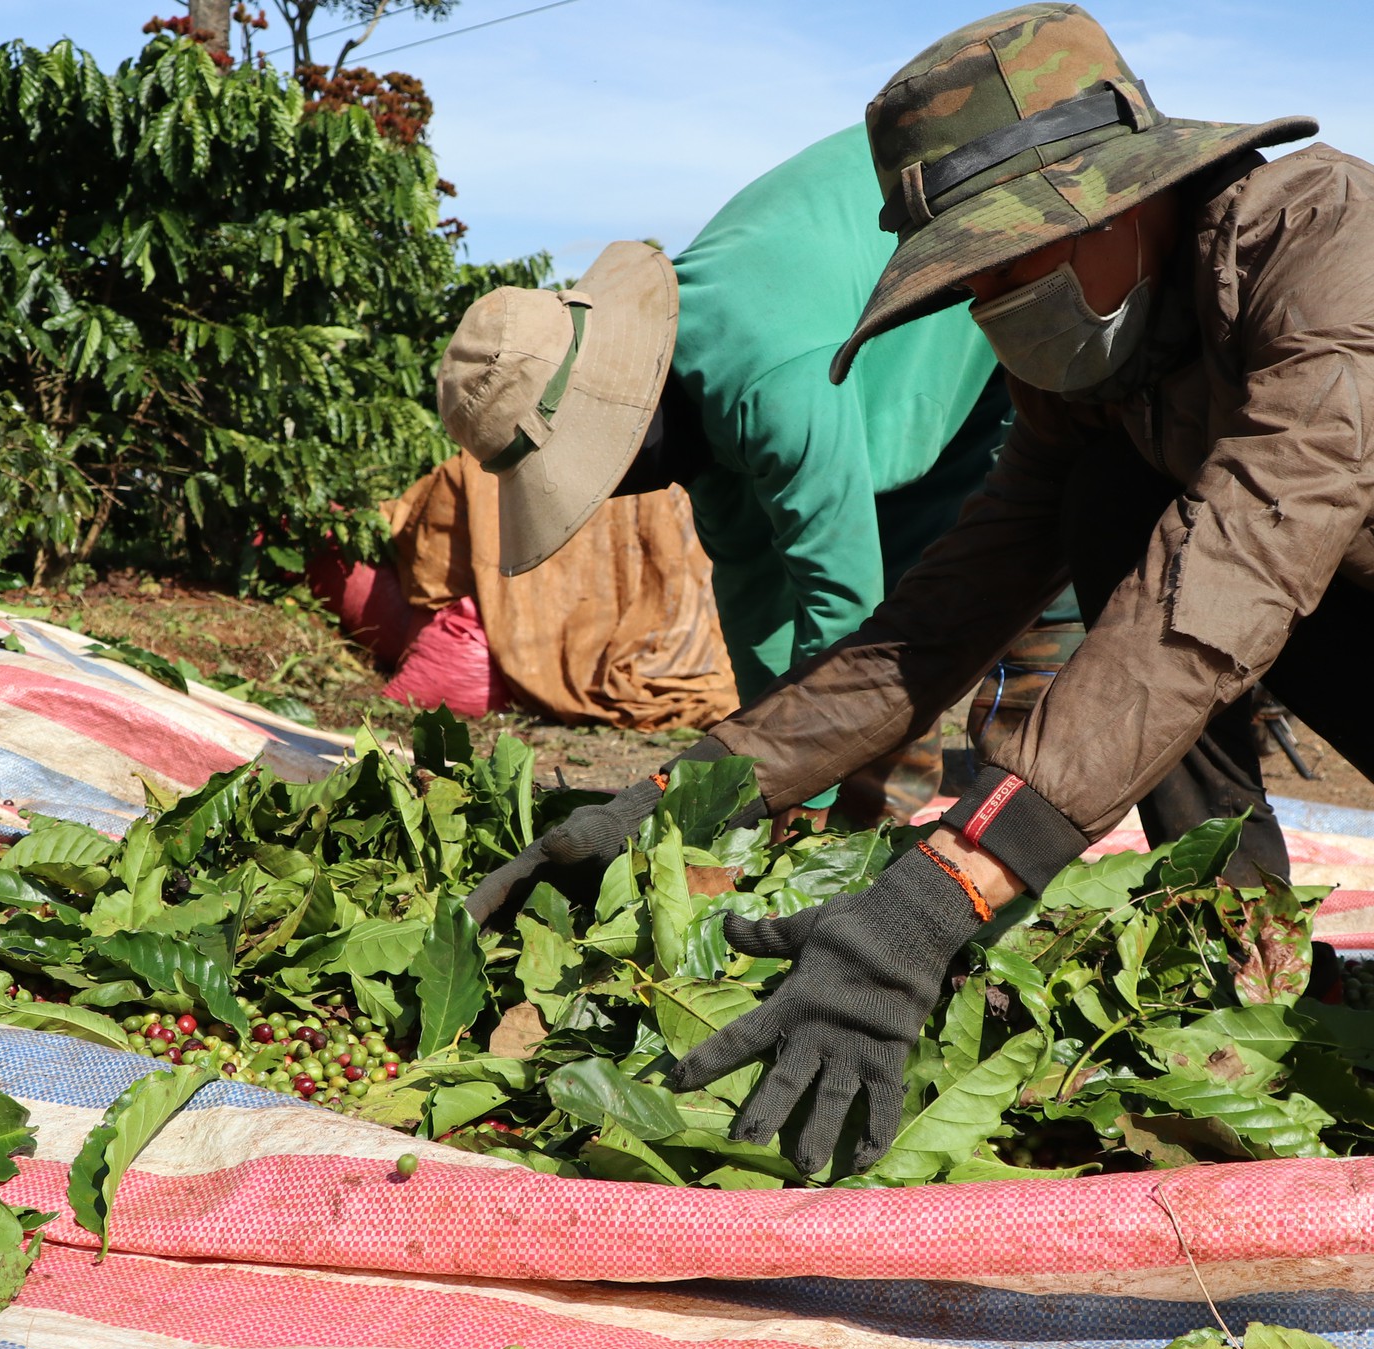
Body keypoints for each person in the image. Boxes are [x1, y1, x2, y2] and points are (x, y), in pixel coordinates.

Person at [468, 2, 1374, 1175]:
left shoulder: (1335, 249)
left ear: (1125, 202)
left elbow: (1232, 580)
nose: (1001, 310)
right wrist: (683, 795)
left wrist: (929, 902)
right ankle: (1231, 955)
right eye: (977, 284)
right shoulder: (1103, 365)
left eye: (1017, 264)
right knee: (1107, 511)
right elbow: (935, 617)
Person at [438, 126, 1080, 827]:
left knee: (1032, 566)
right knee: (894, 597)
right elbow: (756, 601)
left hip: (1003, 287)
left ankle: (1019, 845)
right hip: (889, 368)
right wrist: (757, 772)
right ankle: (869, 834)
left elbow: (840, 602)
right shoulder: (695, 415)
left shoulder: (763, 374)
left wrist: (802, 791)